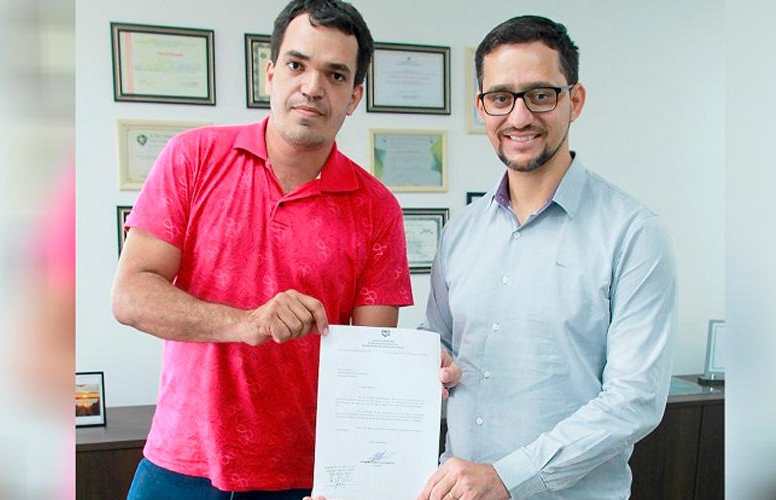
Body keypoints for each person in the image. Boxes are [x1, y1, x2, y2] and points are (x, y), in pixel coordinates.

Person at [112, 1, 459, 498]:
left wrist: (416, 372)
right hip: (181, 464)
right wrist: (248, 323)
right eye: (297, 65)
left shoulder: (377, 208)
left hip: (306, 478)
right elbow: (130, 296)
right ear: (271, 73)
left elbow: (369, 357)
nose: (313, 87)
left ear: (354, 96)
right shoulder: (192, 158)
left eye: (335, 75)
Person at [418, 15, 677, 500]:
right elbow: (437, 345)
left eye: (540, 95)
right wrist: (426, 363)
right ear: (482, 107)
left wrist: (507, 477)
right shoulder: (460, 233)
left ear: (574, 101)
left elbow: (634, 400)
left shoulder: (634, 233)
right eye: (501, 98)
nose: (519, 117)